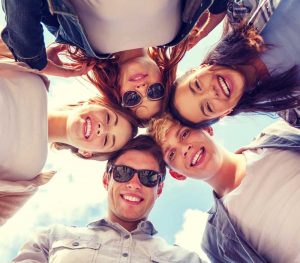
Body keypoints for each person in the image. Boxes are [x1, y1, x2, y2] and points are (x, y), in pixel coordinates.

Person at [1, 0, 213, 122]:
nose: (141, 88)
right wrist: (214, 18)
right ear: (164, 77)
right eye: (154, 92)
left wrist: (38, 62)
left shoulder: (82, 40)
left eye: (132, 98)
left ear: (117, 90)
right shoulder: (174, 33)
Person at [0, 46, 138, 226]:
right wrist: (36, 59)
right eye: (108, 117)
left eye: (105, 140)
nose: (101, 129)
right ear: (93, 103)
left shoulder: (27, 176)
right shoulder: (34, 80)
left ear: (86, 152)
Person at [12, 135, 205, 263]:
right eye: (123, 172)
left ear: (159, 188)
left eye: (148, 177)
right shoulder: (50, 238)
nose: (134, 183)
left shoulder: (185, 259)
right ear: (106, 179)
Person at [148, 114, 300, 262]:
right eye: (172, 154)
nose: (184, 149)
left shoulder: (280, 132)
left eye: (184, 134)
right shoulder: (215, 244)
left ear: (207, 129)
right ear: (177, 174)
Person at [168, 0, 300, 128]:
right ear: (225, 113)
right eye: (208, 107)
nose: (211, 92)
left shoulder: (241, 10)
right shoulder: (294, 112)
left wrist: (210, 21)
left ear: (200, 68)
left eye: (197, 85)